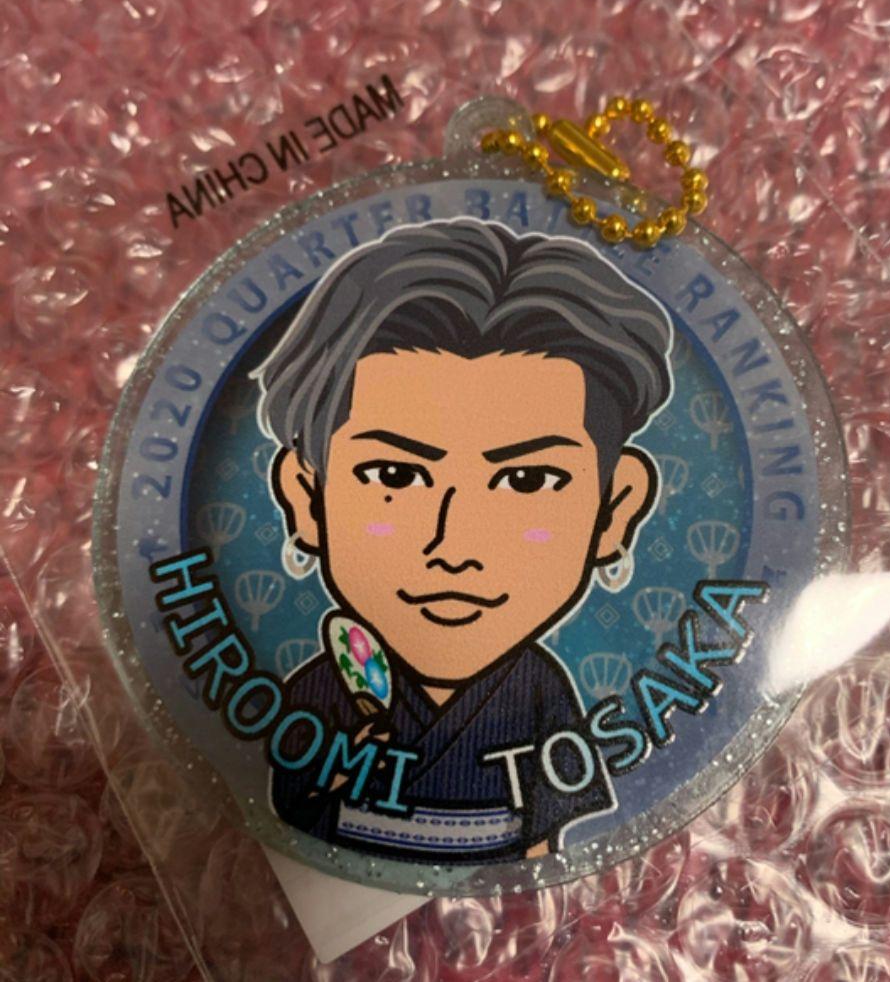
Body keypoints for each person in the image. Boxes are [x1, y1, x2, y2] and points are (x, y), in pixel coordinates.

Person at [256, 218, 673, 862]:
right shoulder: (323, 689)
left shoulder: (538, 693)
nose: (454, 547)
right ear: (306, 498)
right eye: (395, 476)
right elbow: (287, 815)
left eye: (527, 480)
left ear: (613, 511)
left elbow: (541, 850)